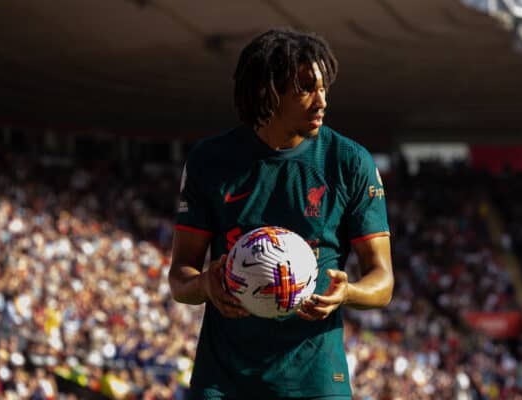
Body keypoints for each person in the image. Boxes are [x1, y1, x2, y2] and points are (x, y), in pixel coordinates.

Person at [168, 27, 394, 400]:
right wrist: (204, 284)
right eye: (306, 88)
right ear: (267, 91)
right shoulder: (210, 161)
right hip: (224, 380)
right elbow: (180, 276)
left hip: (315, 380)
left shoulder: (349, 162)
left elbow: (383, 281)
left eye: (323, 88)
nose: (321, 101)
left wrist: (348, 292)